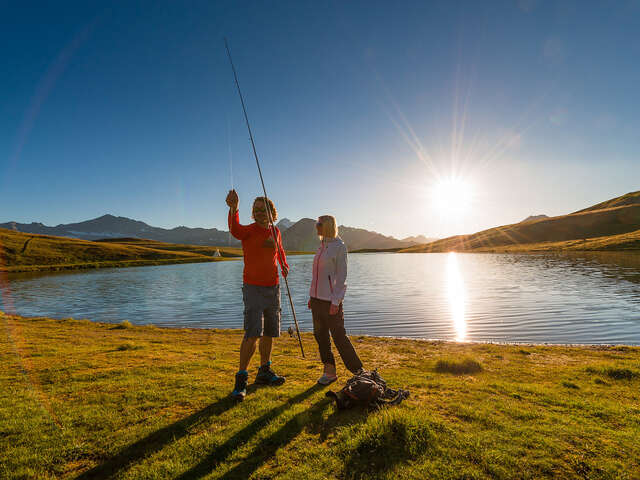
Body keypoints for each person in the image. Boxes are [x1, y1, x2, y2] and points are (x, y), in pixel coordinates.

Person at [226, 189, 289, 401]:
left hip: (273, 287)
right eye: (256, 210)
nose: (260, 213)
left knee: (270, 331)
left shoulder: (276, 232)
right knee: (252, 333)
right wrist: (234, 208)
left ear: (272, 212)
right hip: (253, 287)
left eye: (264, 210)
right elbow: (234, 229)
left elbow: (279, 252)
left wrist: (285, 266)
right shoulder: (248, 231)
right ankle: (241, 380)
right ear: (252, 213)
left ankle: (264, 371)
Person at [308, 215, 363, 385]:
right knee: (321, 336)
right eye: (316, 224)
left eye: (319, 224)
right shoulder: (322, 245)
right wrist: (312, 296)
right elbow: (317, 275)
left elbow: (341, 276)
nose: (316, 226)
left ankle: (359, 372)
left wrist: (336, 301)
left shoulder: (339, 247)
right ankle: (329, 372)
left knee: (339, 337)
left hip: (331, 301)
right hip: (316, 300)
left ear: (327, 226)